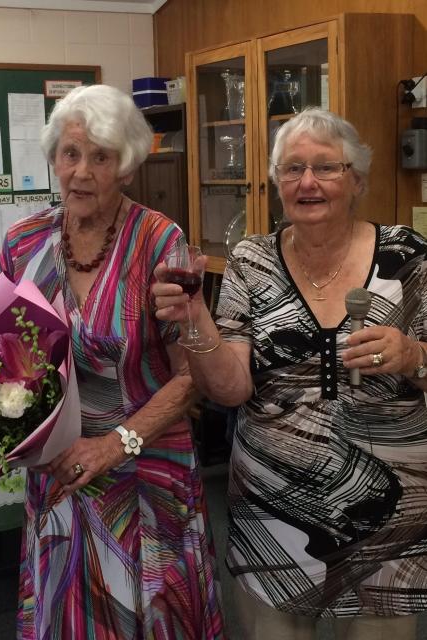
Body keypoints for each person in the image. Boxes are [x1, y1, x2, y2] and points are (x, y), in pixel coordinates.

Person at [153, 107, 427, 639]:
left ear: (357, 180)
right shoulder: (251, 260)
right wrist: (195, 319)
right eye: (292, 169)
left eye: (326, 167)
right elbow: (231, 389)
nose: (307, 182)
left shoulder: (410, 257)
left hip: (389, 513)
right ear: (276, 183)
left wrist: (413, 355)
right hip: (272, 506)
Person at [0, 83, 224, 640]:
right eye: (70, 154)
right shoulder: (23, 244)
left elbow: (191, 376)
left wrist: (114, 443)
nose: (81, 171)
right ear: (53, 158)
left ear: (126, 167)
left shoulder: (157, 241)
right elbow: (3, 356)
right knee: (68, 616)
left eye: (101, 157)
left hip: (142, 467)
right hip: (57, 469)